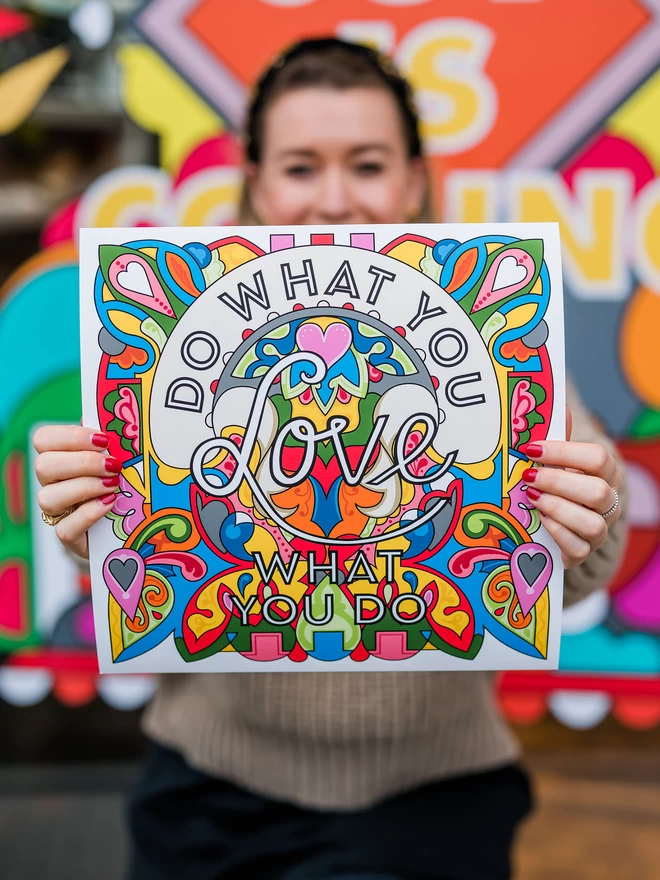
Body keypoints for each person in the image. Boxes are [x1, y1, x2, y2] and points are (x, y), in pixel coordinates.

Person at [34, 38, 627, 880]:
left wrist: (586, 520)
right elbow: (143, 548)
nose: (335, 200)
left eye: (370, 164)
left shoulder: (501, 341)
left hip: (434, 803)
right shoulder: (176, 337)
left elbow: (577, 564)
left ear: (415, 180)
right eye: (302, 167)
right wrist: (87, 519)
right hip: (204, 793)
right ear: (257, 181)